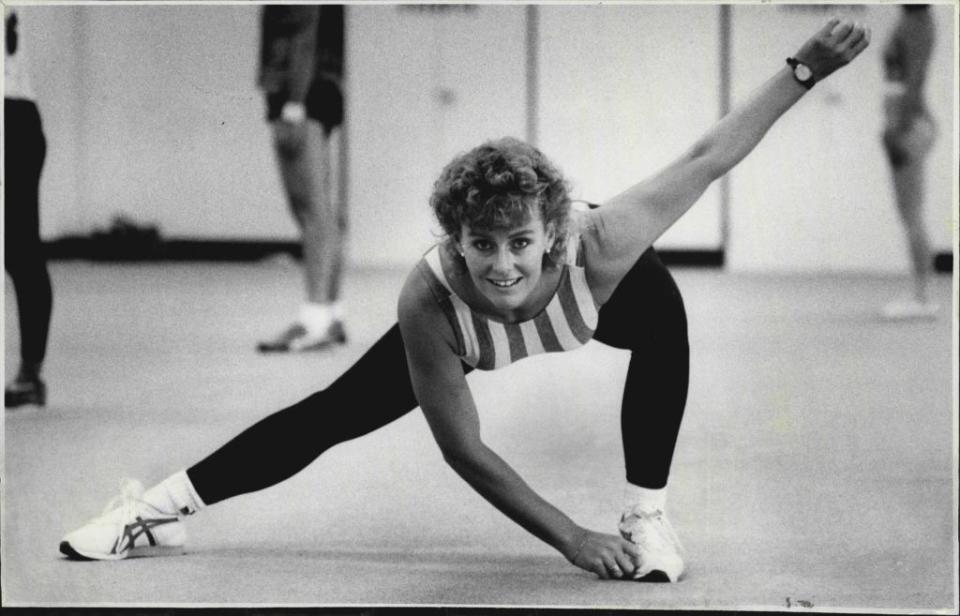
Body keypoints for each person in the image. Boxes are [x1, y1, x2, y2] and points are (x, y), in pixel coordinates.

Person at [59, 19, 869, 581]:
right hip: (465, 338)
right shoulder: (432, 297)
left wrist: (803, 69)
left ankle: (647, 514)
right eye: (481, 245)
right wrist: (568, 539)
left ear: (550, 231)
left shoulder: (603, 240)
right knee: (333, 412)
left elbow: (708, 155)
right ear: (454, 241)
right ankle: (157, 507)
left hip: (603, 301)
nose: (503, 265)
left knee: (667, 324)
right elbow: (463, 450)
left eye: (520, 242)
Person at [256, 5, 349, 352]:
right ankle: (330, 316)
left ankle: (314, 321)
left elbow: (301, 32)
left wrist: (293, 103)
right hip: (317, 87)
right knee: (321, 211)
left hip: (300, 93)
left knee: (310, 211)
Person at [5, 7, 53, 408]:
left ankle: (30, 372)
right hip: (19, 113)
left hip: (11, 113)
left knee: (21, 252)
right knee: (23, 253)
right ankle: (30, 373)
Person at [879, 5, 938, 320]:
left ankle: (923, 296)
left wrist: (896, 128)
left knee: (911, 211)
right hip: (905, 123)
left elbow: (914, 80)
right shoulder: (908, 20)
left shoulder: (918, 22)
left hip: (909, 125)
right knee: (908, 212)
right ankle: (921, 291)